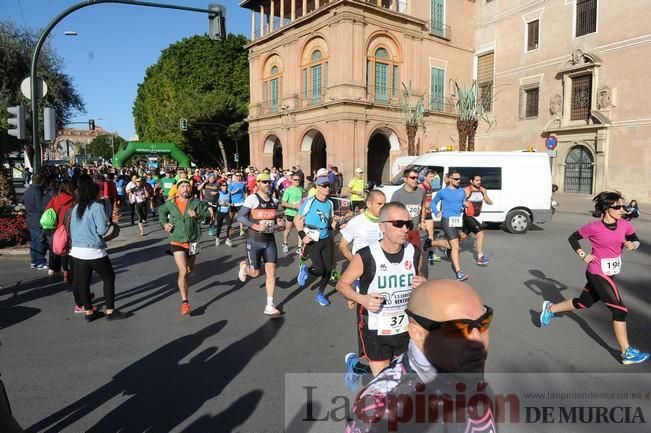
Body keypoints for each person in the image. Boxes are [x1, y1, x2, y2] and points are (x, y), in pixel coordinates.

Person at [346, 279, 495, 433]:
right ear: (417, 334)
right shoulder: (380, 413)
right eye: (456, 329)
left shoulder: (466, 374)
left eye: (484, 322)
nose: (478, 340)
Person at [540, 191, 649, 365]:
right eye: (618, 206)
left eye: (623, 206)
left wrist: (633, 245)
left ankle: (550, 309)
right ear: (607, 209)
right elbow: (573, 238)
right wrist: (583, 254)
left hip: (610, 273)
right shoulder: (593, 227)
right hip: (597, 273)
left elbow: (634, 238)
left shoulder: (624, 225)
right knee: (620, 310)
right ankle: (626, 352)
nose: (622, 209)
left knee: (584, 303)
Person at [337, 202, 425, 381]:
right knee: (385, 382)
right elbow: (342, 284)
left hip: (405, 327)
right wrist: (361, 299)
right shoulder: (366, 255)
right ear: (382, 226)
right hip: (375, 327)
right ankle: (358, 366)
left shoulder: (414, 252)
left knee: (402, 378)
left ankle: (357, 365)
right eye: (398, 224)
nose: (404, 229)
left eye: (408, 224)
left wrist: (424, 284)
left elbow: (421, 282)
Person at [70, 175, 130, 322]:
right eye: (99, 191)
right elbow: (102, 230)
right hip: (94, 250)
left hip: (77, 251)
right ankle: (110, 311)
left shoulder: (76, 208)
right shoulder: (97, 207)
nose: (100, 193)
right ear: (93, 193)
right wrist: (113, 222)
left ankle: (89, 312)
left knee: (84, 282)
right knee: (109, 278)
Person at [158, 178, 210, 316]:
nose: (186, 188)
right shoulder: (170, 203)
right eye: (183, 186)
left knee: (190, 269)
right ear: (178, 189)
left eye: (188, 186)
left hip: (194, 241)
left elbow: (208, 218)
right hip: (177, 240)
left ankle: (186, 273)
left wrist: (197, 215)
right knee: (183, 271)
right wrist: (164, 224)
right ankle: (185, 302)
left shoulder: (196, 203)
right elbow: (161, 212)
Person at [237, 173, 283, 316]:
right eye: (264, 182)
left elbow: (272, 218)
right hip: (254, 240)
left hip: (269, 241)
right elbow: (240, 217)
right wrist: (255, 226)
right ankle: (244, 267)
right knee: (256, 273)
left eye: (269, 182)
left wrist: (278, 222)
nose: (268, 184)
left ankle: (269, 305)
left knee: (271, 272)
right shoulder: (252, 199)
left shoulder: (274, 201)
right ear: (257, 184)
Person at [295, 174, 337, 306]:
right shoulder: (310, 201)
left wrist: (338, 224)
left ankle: (320, 294)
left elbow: (330, 222)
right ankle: (305, 269)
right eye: (324, 185)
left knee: (328, 269)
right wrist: (302, 235)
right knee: (319, 269)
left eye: (328, 185)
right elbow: (297, 219)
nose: (327, 188)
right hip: (312, 238)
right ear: (317, 187)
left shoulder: (330, 203)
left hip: (326, 238)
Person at [390, 168, 432, 275]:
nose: (415, 180)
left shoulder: (421, 191)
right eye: (413, 178)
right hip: (402, 231)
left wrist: (422, 220)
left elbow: (422, 206)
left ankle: (417, 277)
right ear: (405, 179)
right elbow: (392, 212)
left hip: (415, 230)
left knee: (418, 255)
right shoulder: (397, 194)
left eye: (417, 178)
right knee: (401, 257)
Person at [431, 169, 468, 281]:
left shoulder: (462, 191)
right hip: (447, 220)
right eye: (456, 179)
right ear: (450, 179)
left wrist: (464, 205)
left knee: (458, 240)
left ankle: (430, 243)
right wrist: (437, 212)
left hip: (457, 220)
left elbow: (462, 203)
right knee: (456, 246)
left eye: (459, 179)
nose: (458, 181)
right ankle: (458, 272)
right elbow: (433, 202)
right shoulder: (442, 192)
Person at [44, 180, 75, 281]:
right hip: (68, 228)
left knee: (56, 249)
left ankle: (53, 268)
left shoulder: (55, 198)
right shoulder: (73, 200)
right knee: (68, 251)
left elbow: (47, 210)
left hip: (55, 228)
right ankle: (67, 272)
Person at [463, 174, 493, 266]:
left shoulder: (483, 190)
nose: (479, 182)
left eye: (480, 180)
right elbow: (459, 200)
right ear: (471, 181)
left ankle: (448, 248)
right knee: (480, 234)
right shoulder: (466, 190)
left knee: (462, 236)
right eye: (476, 180)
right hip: (468, 216)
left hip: (476, 217)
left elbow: (487, 199)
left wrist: (489, 201)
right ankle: (480, 257)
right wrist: (464, 203)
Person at [23, 174, 47, 270]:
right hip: (37, 219)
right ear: (41, 181)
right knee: (40, 241)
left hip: (30, 218)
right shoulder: (37, 192)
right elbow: (41, 207)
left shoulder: (28, 190)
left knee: (34, 241)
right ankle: (40, 262)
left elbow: (23, 201)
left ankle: (34, 261)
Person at [281, 173, 304, 253]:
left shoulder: (301, 189)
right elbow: (283, 203)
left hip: (299, 214)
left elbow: (304, 199)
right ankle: (285, 243)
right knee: (288, 230)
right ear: (291, 180)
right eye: (295, 180)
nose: (297, 181)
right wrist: (294, 206)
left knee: (300, 230)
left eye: (298, 180)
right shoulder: (288, 190)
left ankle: (299, 247)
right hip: (290, 213)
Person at [214, 181, 233, 246]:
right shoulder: (218, 193)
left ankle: (228, 239)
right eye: (223, 185)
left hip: (227, 212)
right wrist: (219, 203)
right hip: (220, 212)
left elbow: (230, 201)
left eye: (225, 185)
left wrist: (230, 204)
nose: (224, 187)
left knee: (229, 225)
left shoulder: (229, 193)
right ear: (221, 187)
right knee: (219, 226)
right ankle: (217, 238)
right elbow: (214, 202)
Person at [229, 172, 247, 237]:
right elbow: (229, 192)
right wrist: (234, 192)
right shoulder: (231, 184)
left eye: (239, 176)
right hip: (233, 203)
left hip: (241, 202)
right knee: (231, 217)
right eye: (237, 176)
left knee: (241, 216)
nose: (238, 177)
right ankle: (230, 228)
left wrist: (246, 199)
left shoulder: (242, 184)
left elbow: (245, 192)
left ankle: (241, 230)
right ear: (235, 176)